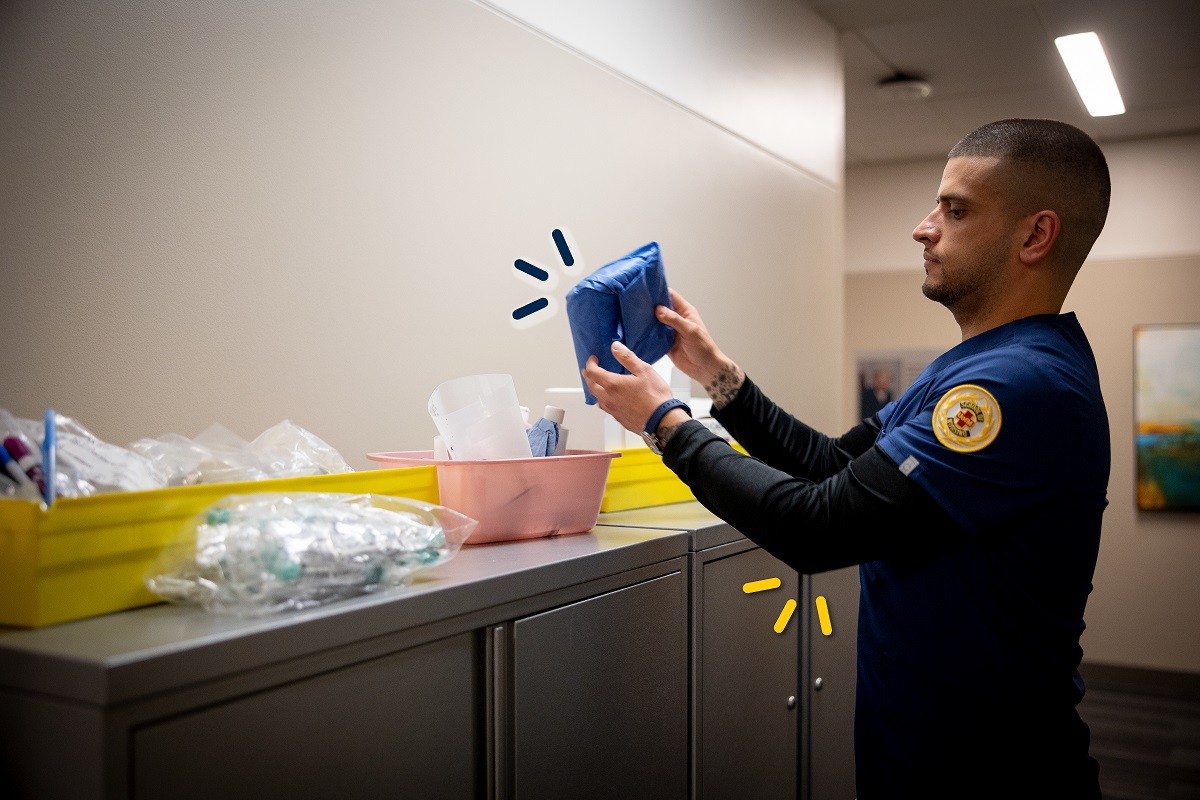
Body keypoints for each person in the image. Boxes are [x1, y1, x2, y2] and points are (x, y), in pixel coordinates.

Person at [582, 118, 1111, 799]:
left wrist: (665, 421)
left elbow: (817, 526)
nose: (924, 228)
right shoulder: (974, 368)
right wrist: (715, 374)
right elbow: (830, 465)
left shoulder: (1017, 388)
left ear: (1035, 236)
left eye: (955, 210)